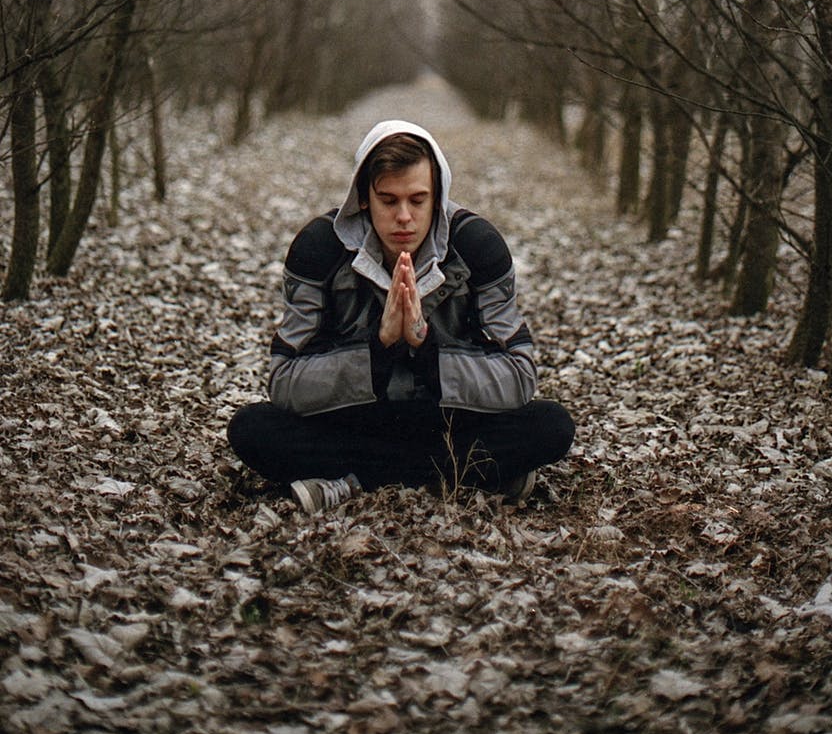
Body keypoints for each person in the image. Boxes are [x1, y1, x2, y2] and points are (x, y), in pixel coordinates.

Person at [227, 120, 574, 514]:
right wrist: (379, 349)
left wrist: (426, 349)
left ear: (438, 196)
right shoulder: (318, 249)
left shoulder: (478, 246)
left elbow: (520, 378)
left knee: (552, 425)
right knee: (252, 428)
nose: (404, 217)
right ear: (363, 199)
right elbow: (285, 383)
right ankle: (473, 476)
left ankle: (350, 480)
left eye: (418, 200)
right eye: (389, 201)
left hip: (449, 422)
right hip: (353, 421)